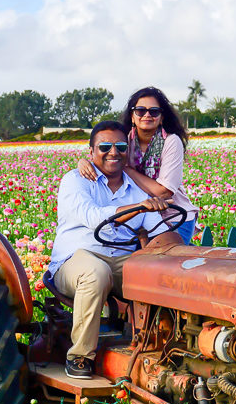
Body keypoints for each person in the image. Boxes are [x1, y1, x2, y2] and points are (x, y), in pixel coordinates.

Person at [49, 120, 172, 379]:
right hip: (76, 259)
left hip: (121, 258)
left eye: (120, 147)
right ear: (91, 152)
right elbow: (93, 217)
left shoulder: (137, 188)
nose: (113, 152)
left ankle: (163, 350)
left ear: (128, 152)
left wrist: (173, 248)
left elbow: (157, 226)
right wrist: (137, 208)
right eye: (105, 146)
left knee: (160, 272)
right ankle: (80, 356)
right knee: (96, 272)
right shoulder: (76, 181)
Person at [79, 87, 198, 243]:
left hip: (173, 215)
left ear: (161, 117)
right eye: (140, 111)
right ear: (132, 116)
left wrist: (126, 169)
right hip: (138, 216)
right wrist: (83, 162)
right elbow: (105, 159)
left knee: (162, 261)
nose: (147, 115)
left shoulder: (171, 141)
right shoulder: (123, 141)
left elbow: (164, 192)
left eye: (154, 111)